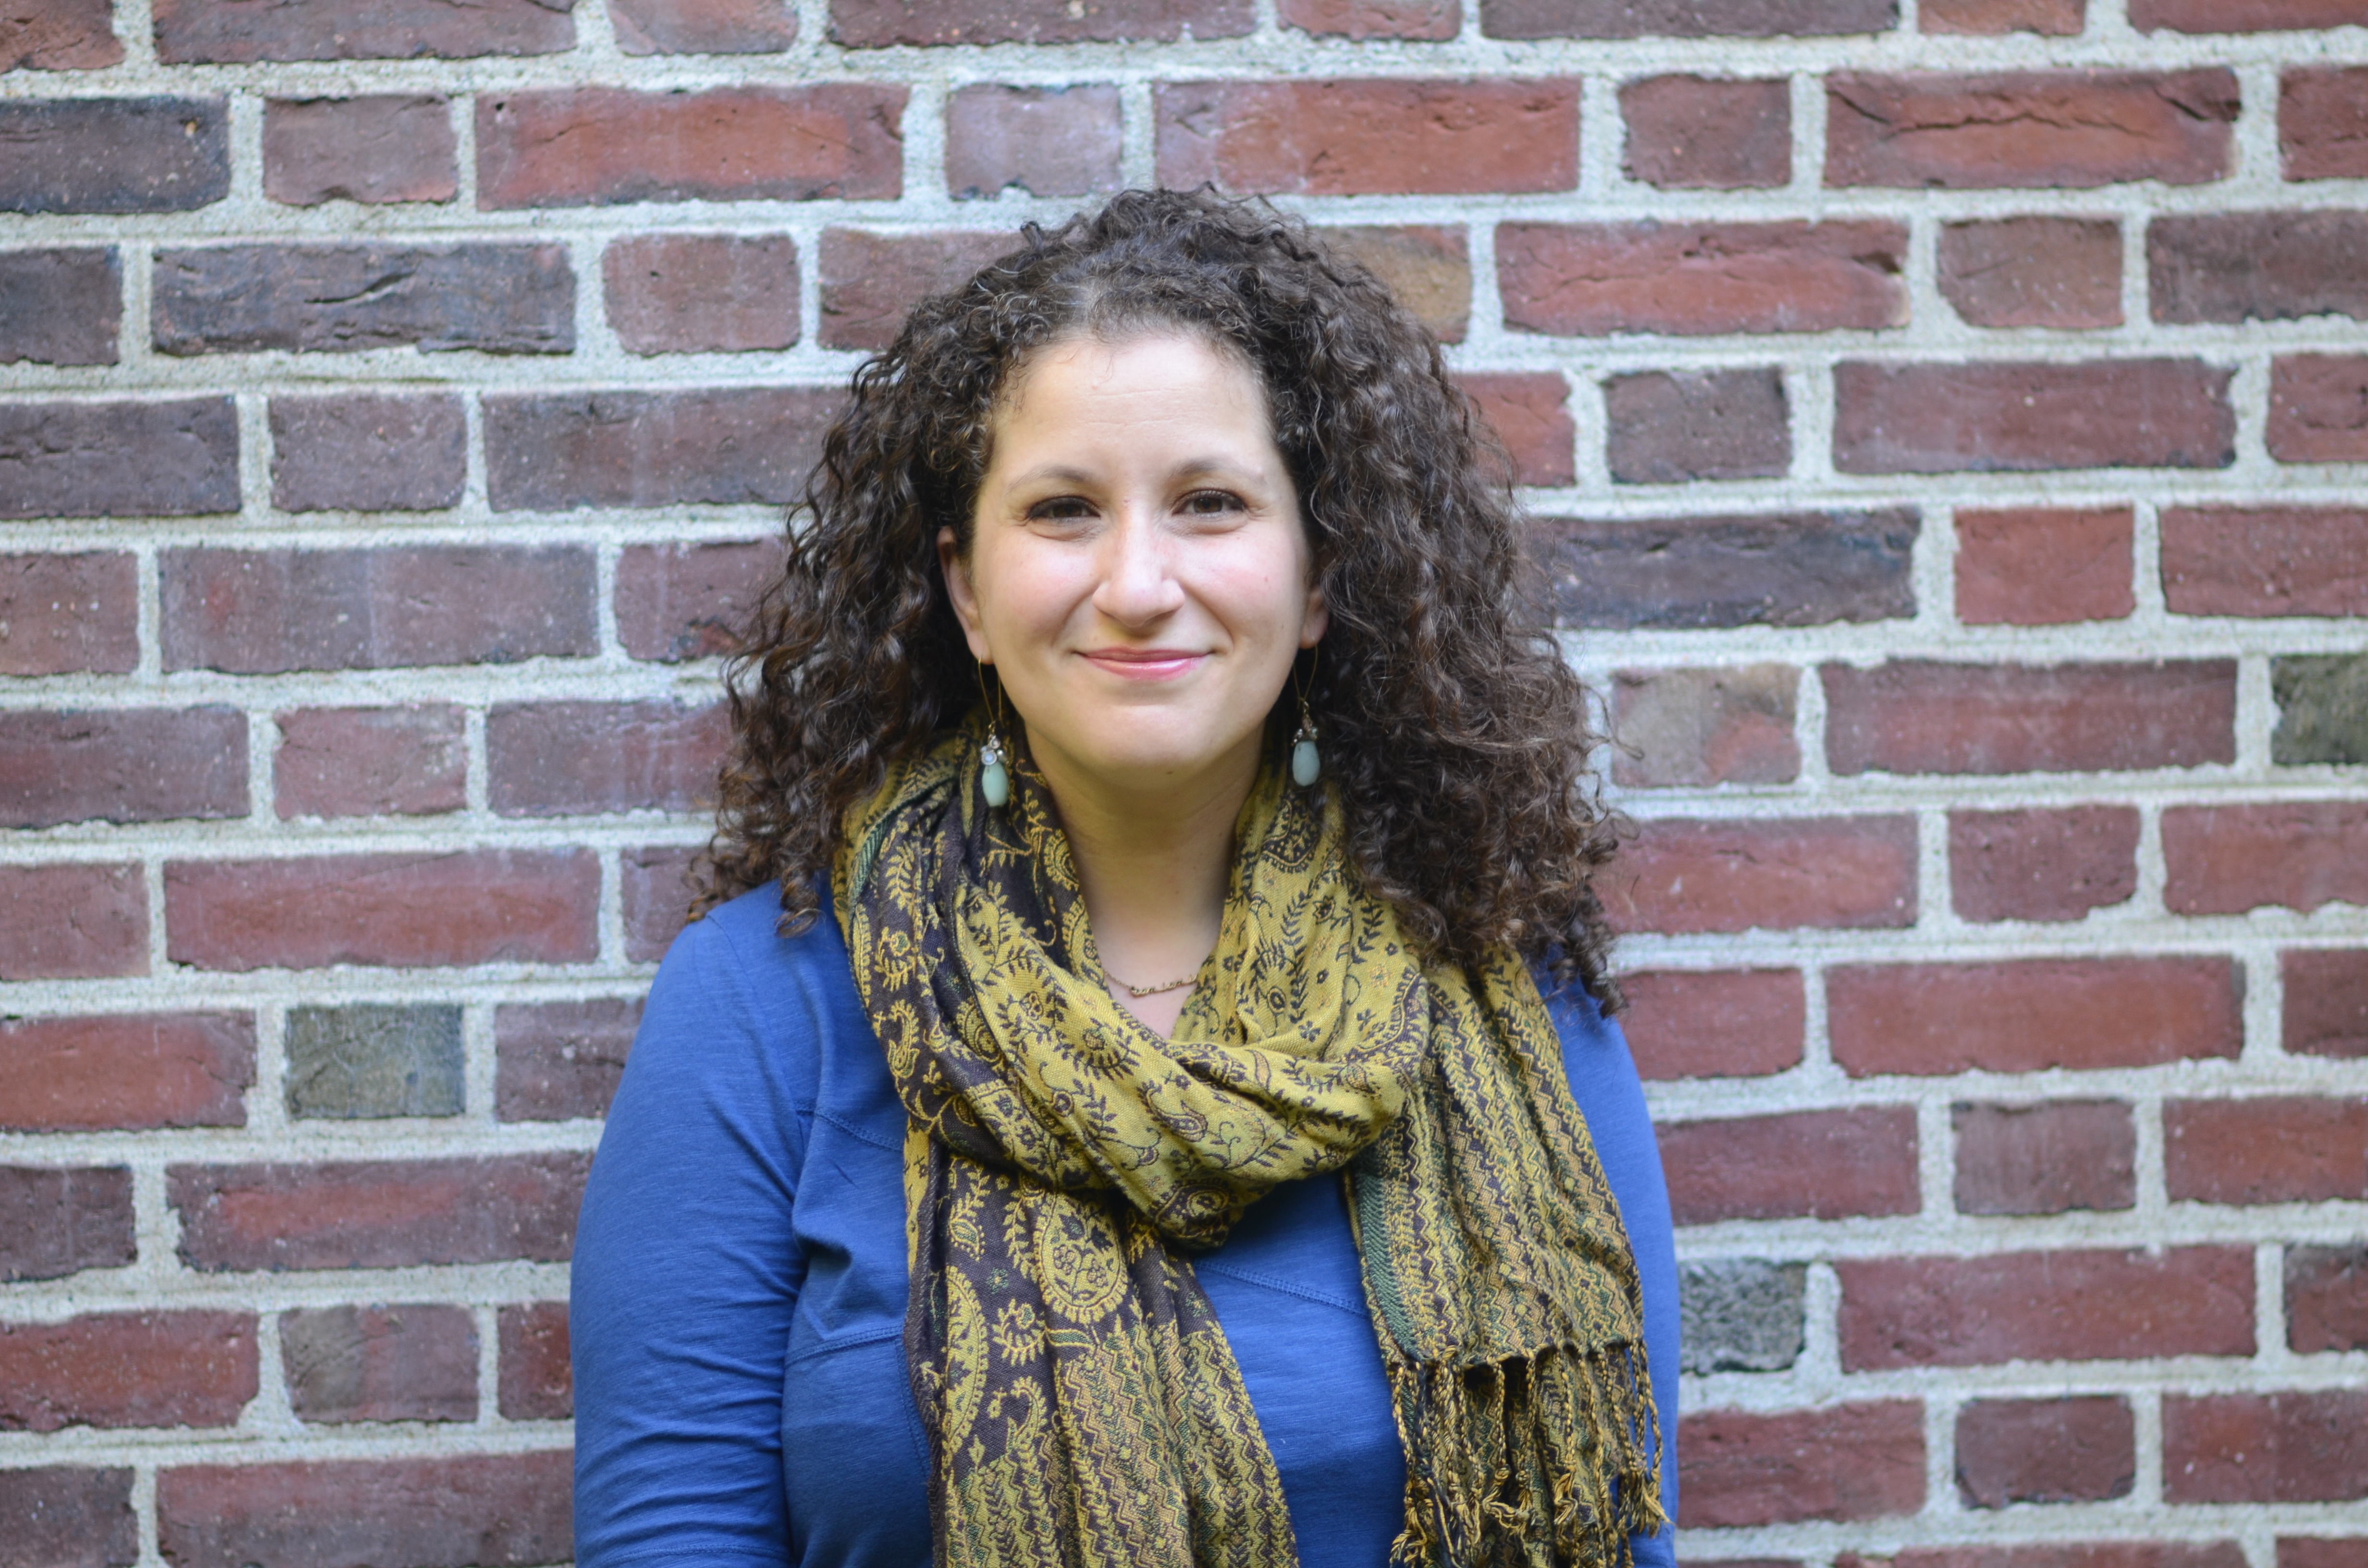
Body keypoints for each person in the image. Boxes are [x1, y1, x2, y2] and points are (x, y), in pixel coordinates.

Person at [570, 189, 1680, 1568]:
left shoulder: (1508, 990)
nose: (1139, 581)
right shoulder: (764, 1005)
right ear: (967, 594)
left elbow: (1620, 1527)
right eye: (1063, 510)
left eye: (1210, 504)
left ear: (1321, 579)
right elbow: (673, 1539)